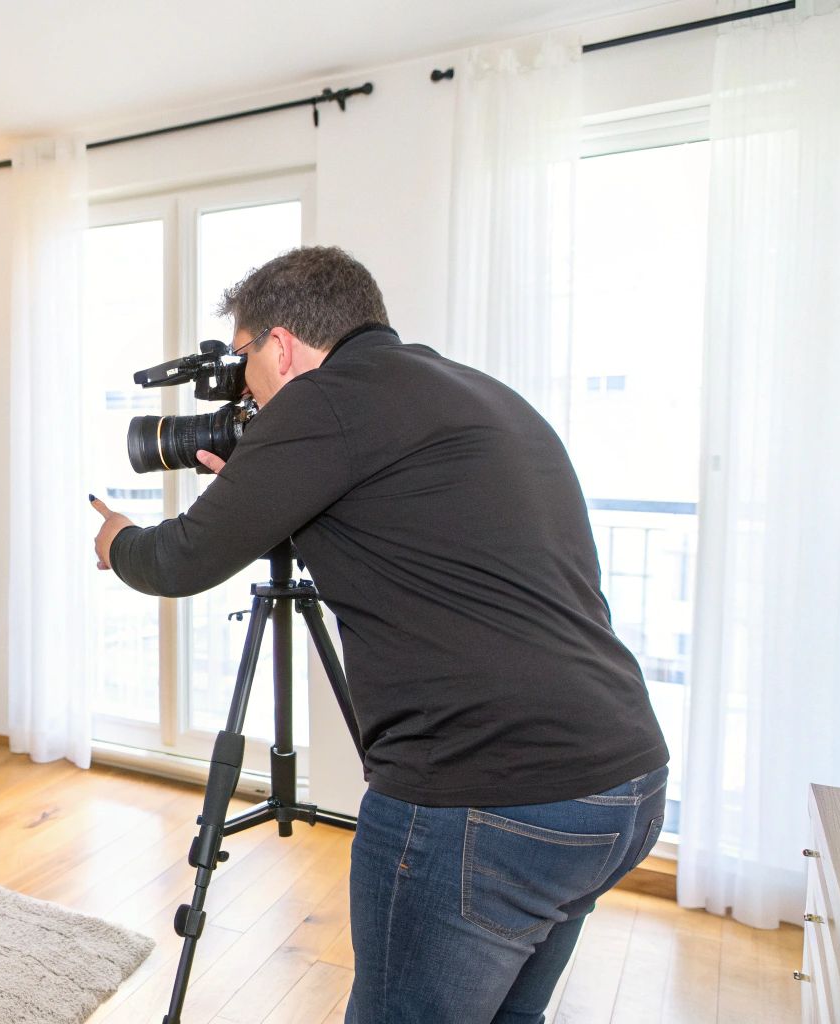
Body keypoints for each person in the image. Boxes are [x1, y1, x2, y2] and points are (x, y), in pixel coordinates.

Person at [90, 246, 668, 1023]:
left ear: (280, 345)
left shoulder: (322, 403)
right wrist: (259, 493)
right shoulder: (471, 390)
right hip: (621, 780)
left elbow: (179, 559)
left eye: (244, 357)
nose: (246, 386)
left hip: (490, 792)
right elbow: (411, 537)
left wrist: (119, 539)